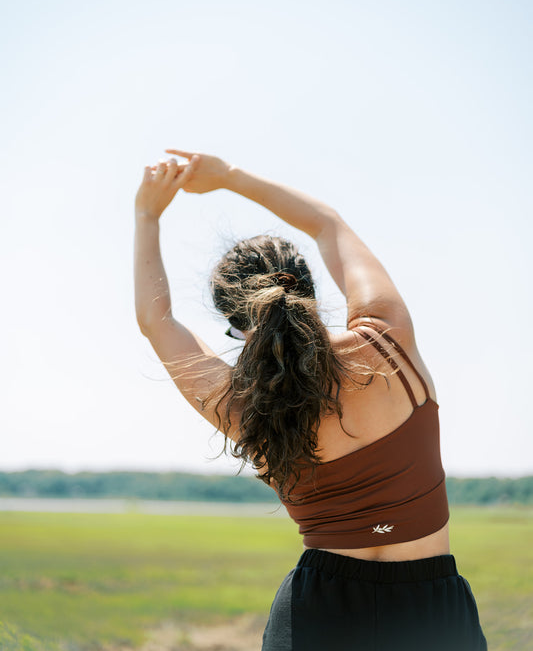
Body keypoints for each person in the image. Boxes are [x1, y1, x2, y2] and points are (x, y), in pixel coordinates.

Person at [134, 149, 488, 651]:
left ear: (239, 325)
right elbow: (328, 224)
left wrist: (147, 215)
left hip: (316, 615)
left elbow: (158, 322)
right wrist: (229, 177)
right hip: (434, 612)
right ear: (305, 291)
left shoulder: (246, 405)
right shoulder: (388, 342)